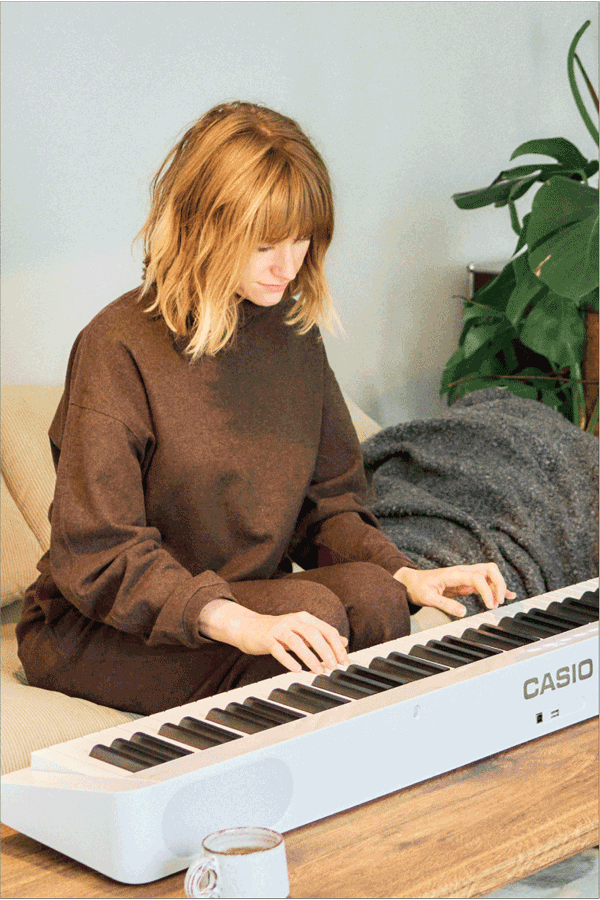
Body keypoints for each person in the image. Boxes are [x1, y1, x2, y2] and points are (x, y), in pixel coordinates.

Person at [17, 102, 515, 716]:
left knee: (376, 597)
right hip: (95, 628)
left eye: (303, 239)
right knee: (308, 625)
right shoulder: (116, 346)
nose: (289, 265)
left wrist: (404, 573)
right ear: (202, 228)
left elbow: (328, 506)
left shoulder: (293, 336)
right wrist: (239, 622)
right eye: (264, 245)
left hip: (236, 594)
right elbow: (101, 552)